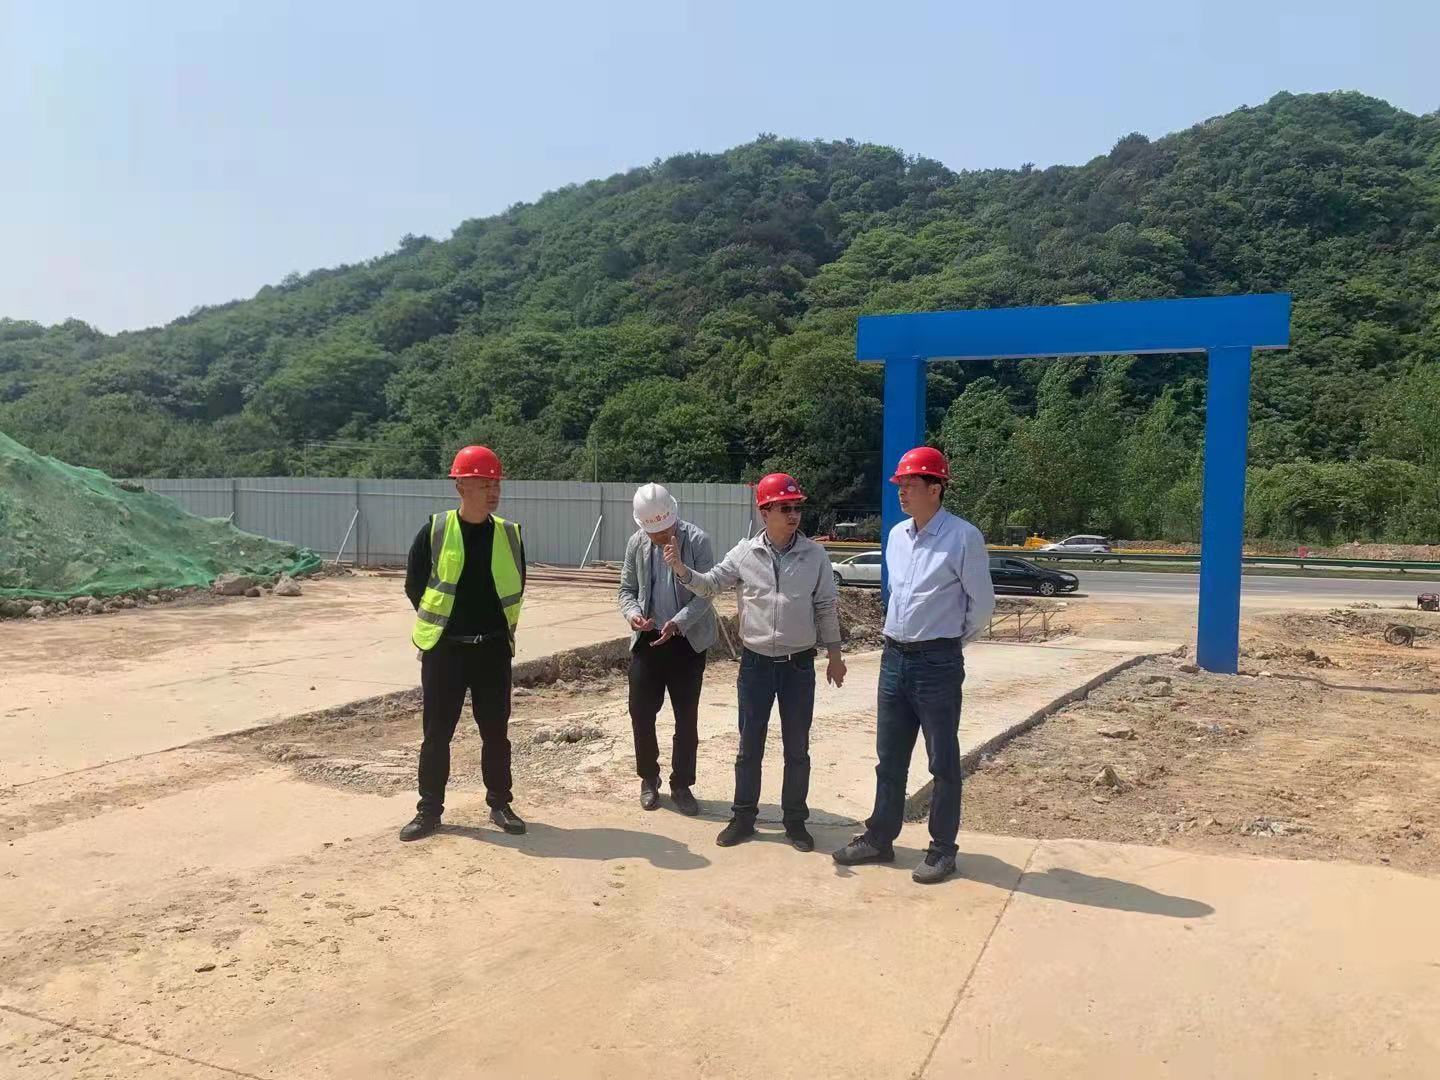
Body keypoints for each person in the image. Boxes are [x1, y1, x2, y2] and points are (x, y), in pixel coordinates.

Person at [832, 447, 994, 884]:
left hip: (937, 661)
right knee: (889, 758)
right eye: (900, 485)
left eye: (911, 484)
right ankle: (880, 837)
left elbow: (981, 606)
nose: (902, 492)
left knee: (942, 761)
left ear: (935, 488)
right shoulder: (897, 536)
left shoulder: (963, 536)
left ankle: (942, 849)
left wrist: (946, 642)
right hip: (894, 658)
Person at [665, 473, 845, 852]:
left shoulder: (814, 556)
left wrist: (834, 655)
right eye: (785, 508)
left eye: (797, 508)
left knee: (797, 749)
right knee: (749, 747)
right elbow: (710, 584)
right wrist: (682, 569)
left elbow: (826, 607)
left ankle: (795, 821)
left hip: (798, 666)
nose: (794, 515)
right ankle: (743, 817)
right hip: (756, 665)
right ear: (765, 512)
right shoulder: (745, 554)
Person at [398, 445, 528, 842]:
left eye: (496, 484)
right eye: (484, 484)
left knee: (496, 732)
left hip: (492, 650)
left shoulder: (509, 534)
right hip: (446, 650)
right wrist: (442, 624)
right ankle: (429, 811)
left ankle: (500, 803)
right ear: (461, 487)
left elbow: (518, 583)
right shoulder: (435, 531)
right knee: (437, 734)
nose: (493, 492)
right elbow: (414, 585)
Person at [618, 483, 717, 816]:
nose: (661, 536)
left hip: (687, 642)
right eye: (654, 533)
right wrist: (634, 615)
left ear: (674, 516)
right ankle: (649, 778)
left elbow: (707, 592)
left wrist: (678, 621)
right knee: (641, 712)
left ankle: (682, 785)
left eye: (665, 529)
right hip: (648, 640)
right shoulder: (637, 543)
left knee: (686, 718)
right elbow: (626, 589)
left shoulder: (698, 541)